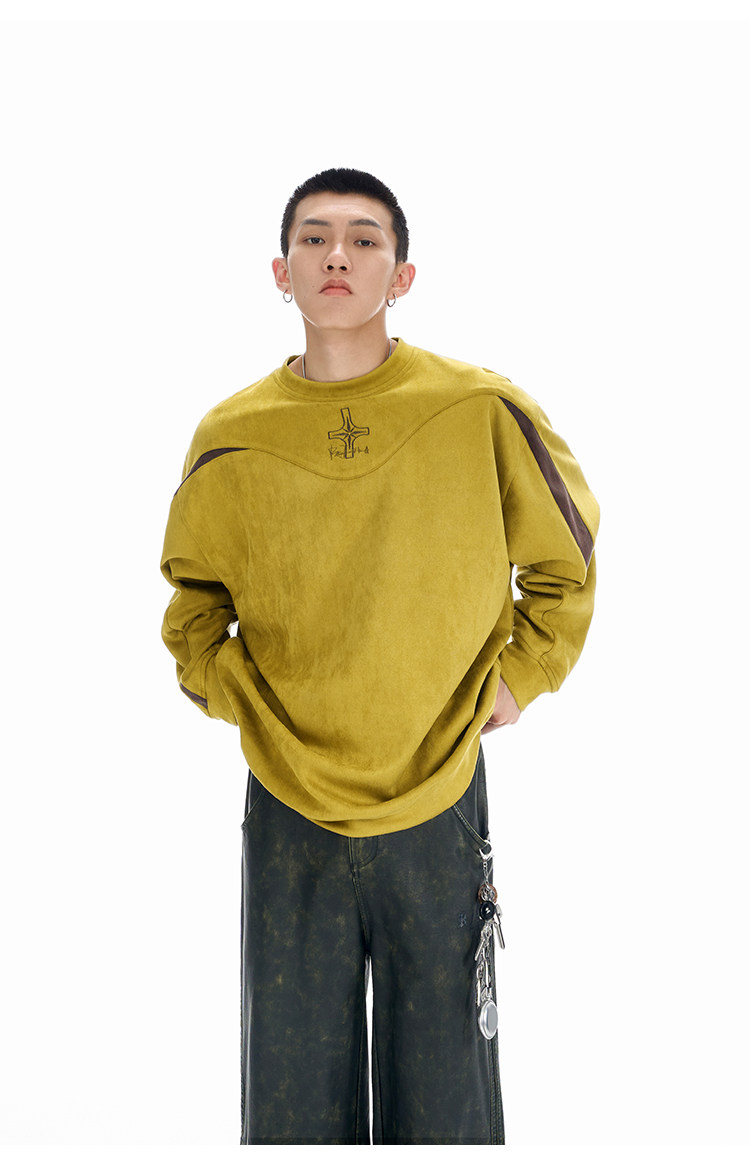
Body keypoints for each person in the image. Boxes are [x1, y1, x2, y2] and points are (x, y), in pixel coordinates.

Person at [159, 167, 599, 1146]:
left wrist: (522, 676)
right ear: (281, 271)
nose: (338, 255)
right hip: (288, 803)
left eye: (364, 239)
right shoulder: (232, 436)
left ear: (402, 276)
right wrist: (246, 700)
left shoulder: (477, 408)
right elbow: (193, 609)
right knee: (291, 1102)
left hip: (437, 792)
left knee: (446, 1104)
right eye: (314, 238)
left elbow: (565, 560)